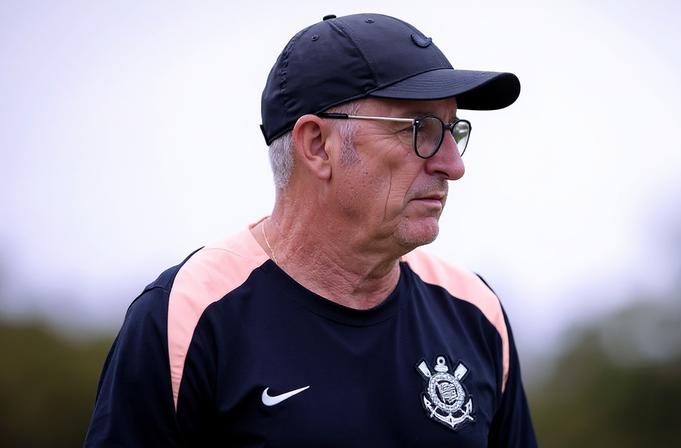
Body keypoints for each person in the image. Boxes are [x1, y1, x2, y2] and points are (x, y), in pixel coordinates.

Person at [85, 12, 537, 447]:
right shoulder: (186, 317)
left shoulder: (476, 312)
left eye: (453, 130)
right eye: (420, 128)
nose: (453, 165)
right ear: (317, 145)